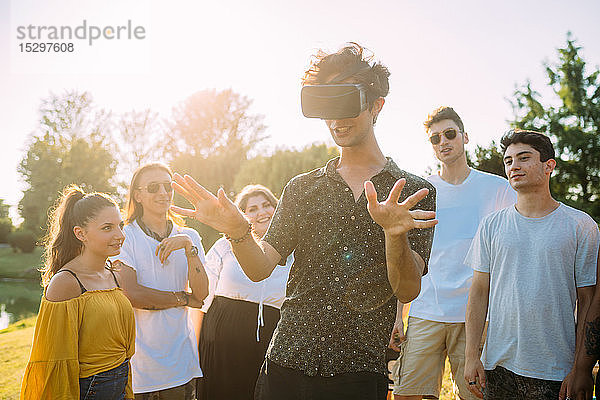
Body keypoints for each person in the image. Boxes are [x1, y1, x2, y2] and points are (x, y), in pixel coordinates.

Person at [171, 43, 437, 400]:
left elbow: (407, 289)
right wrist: (237, 231)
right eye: (326, 103)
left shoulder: (415, 191)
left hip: (358, 370)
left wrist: (394, 235)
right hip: (285, 362)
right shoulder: (301, 187)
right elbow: (261, 267)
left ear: (376, 105)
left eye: (347, 100)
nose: (336, 119)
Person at [463, 130, 600, 399]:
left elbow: (589, 300)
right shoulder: (492, 225)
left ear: (549, 166)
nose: (514, 166)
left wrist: (581, 368)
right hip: (497, 367)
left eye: (524, 158)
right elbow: (479, 292)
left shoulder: (581, 225)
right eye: (509, 161)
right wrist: (471, 356)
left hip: (555, 371)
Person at [390, 107, 515, 400]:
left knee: (475, 396)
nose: (443, 142)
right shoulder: (422, 190)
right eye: (435, 139)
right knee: (407, 395)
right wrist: (398, 315)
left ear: (465, 136)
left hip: (475, 315)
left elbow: (511, 251)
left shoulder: (498, 188)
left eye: (449, 134)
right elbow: (404, 256)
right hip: (425, 310)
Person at [20, 185, 135, 399]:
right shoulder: (66, 283)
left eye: (120, 226)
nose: (120, 235)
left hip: (120, 381)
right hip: (92, 388)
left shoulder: (114, 274)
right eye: (107, 228)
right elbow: (53, 361)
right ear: (80, 233)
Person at [112, 162, 209, 399]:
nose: (163, 193)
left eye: (168, 186)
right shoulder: (125, 236)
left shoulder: (191, 237)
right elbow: (133, 295)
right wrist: (182, 298)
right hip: (140, 366)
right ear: (138, 195)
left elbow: (202, 294)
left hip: (181, 363)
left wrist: (189, 249)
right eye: (154, 187)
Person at [199, 184, 292, 400]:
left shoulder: (293, 251)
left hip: (273, 342)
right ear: (241, 215)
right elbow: (202, 300)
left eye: (266, 205)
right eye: (252, 209)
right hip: (222, 341)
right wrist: (193, 351)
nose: (261, 212)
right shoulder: (224, 246)